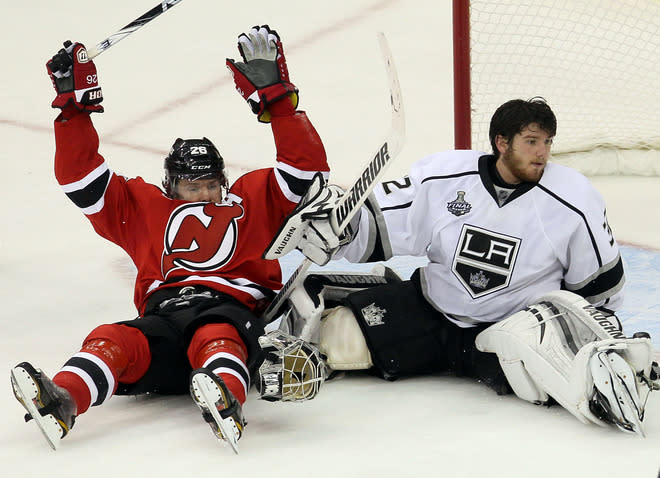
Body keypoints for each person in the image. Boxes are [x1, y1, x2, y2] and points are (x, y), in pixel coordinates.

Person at [10, 25, 329, 452]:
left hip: (230, 310)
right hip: (164, 316)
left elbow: (307, 173)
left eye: (210, 184)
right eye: (190, 186)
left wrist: (278, 100)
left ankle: (227, 400)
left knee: (215, 337)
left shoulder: (254, 197)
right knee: (114, 338)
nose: (201, 192)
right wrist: (74, 111)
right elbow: (79, 179)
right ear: (170, 185)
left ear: (224, 180)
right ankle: (63, 399)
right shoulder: (142, 208)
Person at [257, 97, 659, 436]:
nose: (542, 153)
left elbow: (600, 292)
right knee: (332, 343)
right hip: (432, 311)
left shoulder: (573, 199)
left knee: (566, 384)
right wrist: (342, 229)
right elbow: (382, 227)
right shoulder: (444, 176)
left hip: (509, 330)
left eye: (547, 143)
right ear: (501, 142)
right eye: (531, 141)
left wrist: (588, 339)